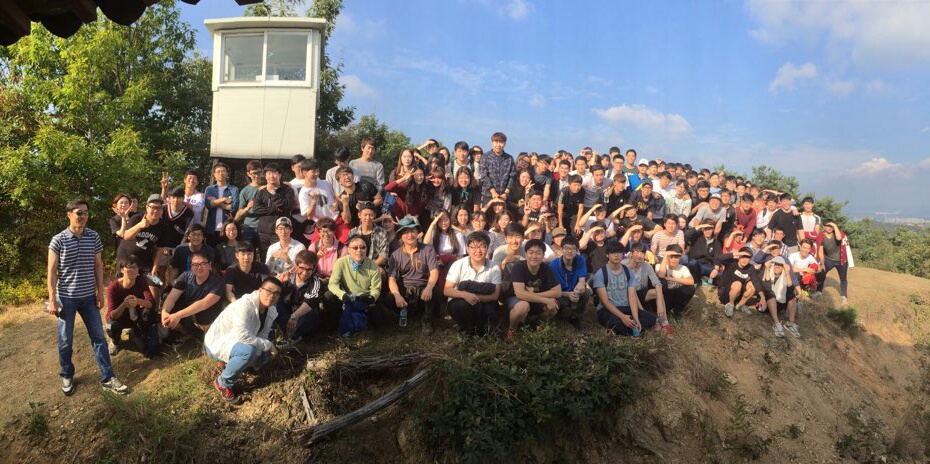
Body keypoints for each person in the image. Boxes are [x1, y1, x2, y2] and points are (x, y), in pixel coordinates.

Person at [48, 199, 129, 395]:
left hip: (88, 298)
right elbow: (51, 271)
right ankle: (67, 373)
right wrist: (52, 299)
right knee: (65, 340)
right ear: (69, 214)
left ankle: (108, 377)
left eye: (86, 213)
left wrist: (100, 292)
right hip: (66, 298)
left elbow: (98, 266)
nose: (83, 216)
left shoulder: (93, 236)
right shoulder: (58, 240)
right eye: (79, 212)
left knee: (99, 338)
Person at [204, 277, 283, 405]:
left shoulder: (271, 310)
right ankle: (222, 383)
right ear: (260, 290)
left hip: (237, 342)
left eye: (277, 293)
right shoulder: (245, 304)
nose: (272, 295)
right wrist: (267, 346)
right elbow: (242, 336)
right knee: (248, 352)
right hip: (216, 343)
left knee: (264, 354)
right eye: (269, 290)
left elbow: (263, 334)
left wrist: (260, 355)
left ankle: (232, 364)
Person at [387, 217, 441, 334]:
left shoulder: (428, 249)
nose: (410, 235)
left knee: (435, 291)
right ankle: (406, 312)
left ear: (417, 233)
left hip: (424, 288)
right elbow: (391, 279)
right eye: (406, 232)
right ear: (400, 236)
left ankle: (427, 319)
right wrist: (397, 295)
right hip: (406, 289)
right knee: (390, 298)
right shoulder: (395, 255)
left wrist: (429, 288)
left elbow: (434, 272)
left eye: (412, 231)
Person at [592, 240, 655, 336]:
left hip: (626, 307)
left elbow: (632, 296)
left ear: (623, 254)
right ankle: (631, 329)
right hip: (608, 310)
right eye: (613, 253)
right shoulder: (601, 273)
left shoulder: (628, 272)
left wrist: (635, 317)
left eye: (619, 252)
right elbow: (605, 302)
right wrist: (623, 317)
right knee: (616, 322)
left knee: (651, 318)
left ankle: (625, 329)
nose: (616, 255)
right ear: (607, 255)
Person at [445, 231, 502, 336]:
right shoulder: (458, 264)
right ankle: (464, 329)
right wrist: (465, 295)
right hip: (460, 301)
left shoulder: (494, 267)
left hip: (483, 303)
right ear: (467, 248)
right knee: (461, 305)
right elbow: (447, 290)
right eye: (474, 247)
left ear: (487, 248)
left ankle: (479, 327)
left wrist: (474, 297)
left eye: (482, 247)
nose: (478, 251)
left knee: (489, 331)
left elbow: (495, 296)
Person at [506, 239, 562, 339]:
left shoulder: (547, 269)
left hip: (536, 299)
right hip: (516, 299)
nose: (534, 256)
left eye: (538, 253)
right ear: (526, 254)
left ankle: (537, 323)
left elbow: (557, 292)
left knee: (553, 306)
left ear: (543, 255)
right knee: (523, 306)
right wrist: (546, 300)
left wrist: (532, 295)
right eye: (531, 253)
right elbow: (520, 294)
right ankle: (512, 329)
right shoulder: (518, 267)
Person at [105, 256, 159, 358]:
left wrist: (138, 301)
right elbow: (112, 315)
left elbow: (152, 303)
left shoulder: (142, 280)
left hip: (135, 315)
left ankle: (136, 334)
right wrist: (124, 304)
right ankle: (116, 341)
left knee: (150, 312)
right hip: (119, 317)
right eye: (129, 267)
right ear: (122, 269)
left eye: (135, 267)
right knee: (111, 326)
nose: (133, 270)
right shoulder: (113, 288)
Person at [328, 234, 382, 337]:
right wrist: (342, 295)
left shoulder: (374, 266)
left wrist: (372, 297)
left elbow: (376, 288)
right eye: (355, 248)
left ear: (366, 249)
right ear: (348, 249)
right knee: (328, 296)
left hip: (364, 298)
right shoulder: (340, 263)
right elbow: (332, 284)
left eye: (363, 247)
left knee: (378, 321)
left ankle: (362, 323)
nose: (359, 250)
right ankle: (333, 324)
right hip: (346, 297)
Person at [117, 194, 170, 298]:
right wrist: (140, 225)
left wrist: (154, 269)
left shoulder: (163, 227)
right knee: (126, 286)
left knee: (158, 283)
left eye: (159, 208)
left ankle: (155, 308)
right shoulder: (136, 218)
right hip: (127, 260)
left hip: (145, 264)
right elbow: (126, 236)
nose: (156, 210)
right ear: (147, 207)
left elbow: (159, 250)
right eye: (153, 207)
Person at [161, 251, 225, 334]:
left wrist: (177, 315)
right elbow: (171, 298)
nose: (199, 267)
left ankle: (203, 333)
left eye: (203, 263)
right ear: (191, 267)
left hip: (207, 311)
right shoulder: (185, 276)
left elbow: (204, 303)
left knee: (203, 316)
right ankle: (183, 331)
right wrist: (164, 313)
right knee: (166, 297)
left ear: (209, 265)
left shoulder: (218, 281)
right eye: (195, 264)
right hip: (189, 308)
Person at [623, 243, 672, 335]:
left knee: (658, 293)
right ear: (631, 254)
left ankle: (665, 322)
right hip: (627, 295)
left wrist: (659, 305)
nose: (639, 255)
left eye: (642, 253)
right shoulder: (623, 264)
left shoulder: (646, 266)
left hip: (640, 293)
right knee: (631, 289)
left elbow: (657, 283)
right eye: (637, 252)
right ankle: (647, 317)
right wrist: (629, 268)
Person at [277, 251, 325, 346]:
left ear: (314, 268)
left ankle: (293, 336)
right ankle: (280, 332)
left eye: (309, 269)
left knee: (310, 311)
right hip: (288, 312)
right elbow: (268, 292)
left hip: (302, 315)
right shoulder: (287, 276)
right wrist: (279, 283)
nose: (305, 273)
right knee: (276, 303)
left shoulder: (315, 282)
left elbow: (310, 302)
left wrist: (294, 316)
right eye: (302, 268)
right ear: (296, 266)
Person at [250, 162, 296, 261]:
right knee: (265, 259)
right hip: (263, 232)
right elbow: (256, 209)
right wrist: (275, 209)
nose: (271, 176)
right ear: (265, 176)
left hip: (280, 232)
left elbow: (285, 206)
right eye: (268, 173)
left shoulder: (288, 190)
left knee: (280, 259)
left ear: (280, 175)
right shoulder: (261, 192)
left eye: (274, 173)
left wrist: (273, 192)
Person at [548, 237, 590, 330]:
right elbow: (552, 290)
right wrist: (567, 294)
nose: (569, 251)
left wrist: (581, 286)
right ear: (561, 249)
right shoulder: (554, 265)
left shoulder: (580, 259)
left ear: (577, 250)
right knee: (560, 304)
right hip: (560, 294)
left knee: (586, 293)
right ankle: (558, 314)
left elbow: (582, 280)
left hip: (574, 291)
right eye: (566, 248)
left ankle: (575, 317)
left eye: (573, 248)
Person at [715, 247, 765, 318]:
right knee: (738, 283)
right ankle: (730, 305)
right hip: (725, 292)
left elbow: (756, 281)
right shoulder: (731, 262)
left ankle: (740, 305)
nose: (745, 260)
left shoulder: (750, 267)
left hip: (738, 294)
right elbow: (719, 258)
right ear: (739, 256)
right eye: (743, 256)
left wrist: (762, 297)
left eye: (747, 257)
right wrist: (738, 253)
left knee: (752, 285)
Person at [761, 256, 801, 338]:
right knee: (770, 294)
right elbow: (767, 287)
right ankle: (777, 324)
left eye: (780, 265)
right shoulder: (767, 272)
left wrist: (787, 273)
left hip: (779, 303)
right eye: (775, 264)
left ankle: (790, 323)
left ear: (783, 267)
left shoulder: (784, 276)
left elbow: (790, 289)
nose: (777, 267)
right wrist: (767, 269)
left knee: (792, 295)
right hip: (766, 304)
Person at [655, 244, 695, 324]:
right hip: (663, 296)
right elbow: (661, 275)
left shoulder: (683, 268)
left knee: (690, 288)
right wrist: (666, 255)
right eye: (671, 256)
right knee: (662, 282)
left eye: (677, 257)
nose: (674, 259)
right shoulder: (659, 265)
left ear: (680, 257)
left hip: (675, 295)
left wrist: (671, 278)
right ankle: (663, 311)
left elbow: (691, 281)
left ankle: (676, 311)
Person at [204, 162, 239, 247]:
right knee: (211, 252)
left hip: (227, 229)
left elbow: (234, 207)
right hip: (211, 229)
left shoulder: (233, 189)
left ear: (227, 174)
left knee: (226, 252)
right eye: (218, 171)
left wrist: (215, 201)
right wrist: (224, 200)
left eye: (223, 171)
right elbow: (208, 205)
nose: (221, 173)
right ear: (214, 174)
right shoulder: (209, 189)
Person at [816, 221, 850, 305]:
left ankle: (844, 296)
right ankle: (819, 291)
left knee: (843, 278)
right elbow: (820, 251)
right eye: (827, 226)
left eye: (831, 226)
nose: (829, 228)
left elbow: (839, 238)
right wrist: (822, 263)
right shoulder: (821, 236)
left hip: (841, 260)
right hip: (829, 259)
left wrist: (834, 225)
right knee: (821, 273)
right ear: (824, 226)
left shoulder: (838, 233)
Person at [479, 132, 516, 204]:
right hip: (488, 195)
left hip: (504, 196)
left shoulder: (509, 158)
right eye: (496, 141)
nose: (498, 145)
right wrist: (493, 192)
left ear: (505, 144)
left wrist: (506, 193)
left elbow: (512, 177)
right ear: (492, 143)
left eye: (501, 142)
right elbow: (483, 176)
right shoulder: (485, 157)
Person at [298, 158, 338, 224]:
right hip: (322, 224)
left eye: (318, 171)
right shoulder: (303, 193)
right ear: (304, 173)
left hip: (336, 218)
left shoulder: (325, 183)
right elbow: (309, 216)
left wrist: (336, 203)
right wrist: (313, 202)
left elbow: (334, 197)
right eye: (313, 171)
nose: (317, 173)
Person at [349, 202, 389, 268]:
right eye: (365, 215)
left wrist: (368, 267)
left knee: (381, 271)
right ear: (359, 215)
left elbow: (383, 256)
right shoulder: (353, 232)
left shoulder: (382, 233)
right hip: (356, 265)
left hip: (374, 266)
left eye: (371, 215)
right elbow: (349, 252)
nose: (368, 218)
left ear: (375, 215)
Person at [235, 160, 263, 246]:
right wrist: (248, 207)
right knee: (247, 251)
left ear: (262, 172)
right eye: (253, 173)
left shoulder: (269, 185)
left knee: (265, 252)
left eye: (258, 172)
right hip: (249, 227)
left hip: (264, 226)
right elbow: (240, 212)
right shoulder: (245, 191)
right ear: (248, 174)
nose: (256, 175)